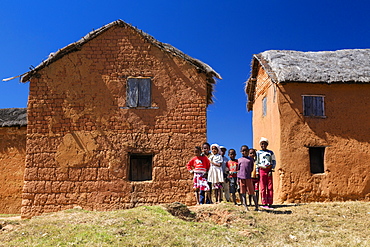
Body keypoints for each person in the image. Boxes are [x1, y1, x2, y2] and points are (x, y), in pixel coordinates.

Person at [255, 137, 276, 210]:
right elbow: (257, 162)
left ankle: (270, 203)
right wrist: (257, 172)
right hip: (262, 170)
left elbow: (273, 161)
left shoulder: (270, 152)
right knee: (263, 187)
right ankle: (264, 203)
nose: (263, 145)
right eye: (262, 144)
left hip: (269, 170)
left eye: (264, 144)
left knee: (270, 187)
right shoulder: (258, 153)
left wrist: (271, 169)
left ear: (267, 144)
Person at [237, 145, 258, 211]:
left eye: (246, 150)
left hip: (248, 177)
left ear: (248, 151)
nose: (244, 152)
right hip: (241, 178)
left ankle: (256, 206)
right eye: (243, 151)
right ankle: (245, 206)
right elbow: (238, 169)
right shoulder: (239, 160)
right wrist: (238, 178)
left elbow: (251, 168)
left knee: (251, 192)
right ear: (241, 151)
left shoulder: (250, 160)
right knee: (243, 193)